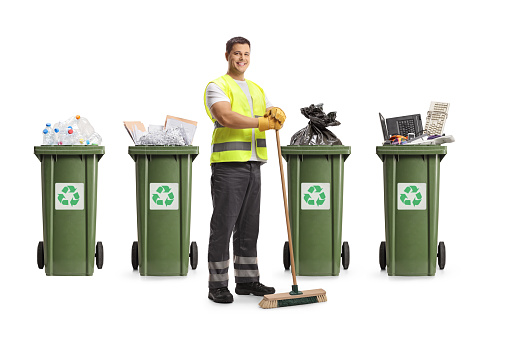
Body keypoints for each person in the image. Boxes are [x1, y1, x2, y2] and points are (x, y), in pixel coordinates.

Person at [204, 37, 286, 303]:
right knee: (224, 225)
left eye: (246, 54)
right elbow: (226, 116)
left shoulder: (256, 89)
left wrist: (276, 112)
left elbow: (268, 112)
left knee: (249, 226)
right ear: (227, 55)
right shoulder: (218, 86)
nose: (242, 58)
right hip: (228, 166)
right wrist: (264, 122)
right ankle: (217, 286)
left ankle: (247, 280)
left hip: (254, 165)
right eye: (237, 53)